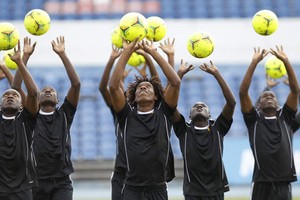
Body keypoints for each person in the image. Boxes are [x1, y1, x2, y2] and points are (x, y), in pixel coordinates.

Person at [109, 38, 181, 200]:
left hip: (158, 188)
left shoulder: (163, 114)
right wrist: (126, 52)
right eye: (140, 88)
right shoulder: (126, 116)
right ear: (133, 98)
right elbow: (113, 87)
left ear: (156, 96)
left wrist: (152, 53)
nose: (143, 87)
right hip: (131, 189)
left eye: (148, 87)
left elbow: (175, 82)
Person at [239, 46, 299, 200]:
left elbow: (295, 91)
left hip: (283, 184)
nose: (269, 96)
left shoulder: (286, 119)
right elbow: (243, 93)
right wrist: (254, 63)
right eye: (265, 96)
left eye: (272, 96)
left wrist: (286, 61)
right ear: (259, 105)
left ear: (279, 105)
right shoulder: (254, 121)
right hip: (261, 183)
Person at [172, 61, 236, 200]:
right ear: (189, 116)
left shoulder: (218, 128)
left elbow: (231, 103)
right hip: (192, 193)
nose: (199, 107)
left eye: (203, 106)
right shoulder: (184, 130)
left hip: (216, 191)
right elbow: (170, 106)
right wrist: (179, 75)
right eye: (195, 106)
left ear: (209, 115)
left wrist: (217, 74)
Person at [30, 36, 81, 200]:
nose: (47, 91)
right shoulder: (30, 117)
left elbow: (76, 84)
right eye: (43, 90)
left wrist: (62, 54)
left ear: (58, 100)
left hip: (61, 182)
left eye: (51, 91)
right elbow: (20, 89)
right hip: (35, 181)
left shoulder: (64, 115)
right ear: (37, 100)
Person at [0, 41, 39, 200]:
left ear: (21, 105)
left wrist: (22, 60)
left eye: (14, 96)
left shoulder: (26, 120)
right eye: (5, 95)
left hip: (23, 188)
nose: (10, 96)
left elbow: (33, 93)